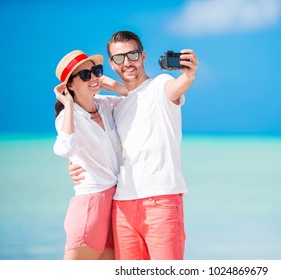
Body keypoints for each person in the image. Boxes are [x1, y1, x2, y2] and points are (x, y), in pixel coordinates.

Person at [70, 31, 198, 260]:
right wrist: (76, 162)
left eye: (133, 55)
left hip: (162, 201)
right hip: (122, 205)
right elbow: (90, 134)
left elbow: (176, 87)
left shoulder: (161, 85)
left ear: (143, 55)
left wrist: (188, 77)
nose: (127, 62)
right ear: (111, 64)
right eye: (119, 58)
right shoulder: (114, 107)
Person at [53, 50, 127, 260]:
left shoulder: (105, 105)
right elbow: (66, 148)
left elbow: (133, 97)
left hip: (115, 201)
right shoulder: (68, 118)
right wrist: (67, 105)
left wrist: (106, 83)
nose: (93, 77)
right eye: (85, 75)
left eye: (96, 71)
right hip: (91, 203)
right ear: (70, 85)